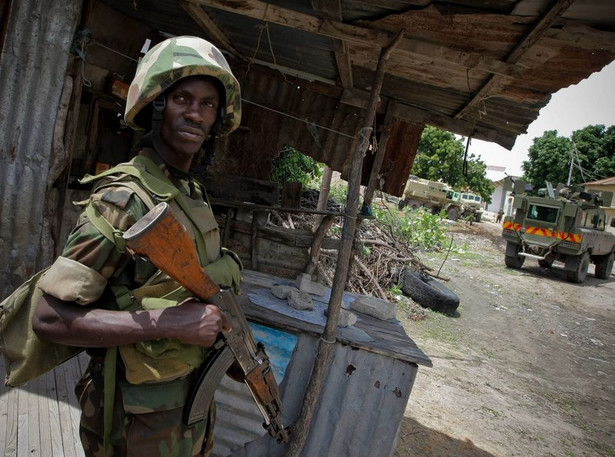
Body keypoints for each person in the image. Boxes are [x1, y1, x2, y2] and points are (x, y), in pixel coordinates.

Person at [32, 36, 243, 457]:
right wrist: (170, 323)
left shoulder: (191, 194)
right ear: (157, 106)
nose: (196, 113)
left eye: (207, 104)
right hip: (133, 426)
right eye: (182, 97)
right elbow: (48, 319)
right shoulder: (124, 198)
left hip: (183, 417)